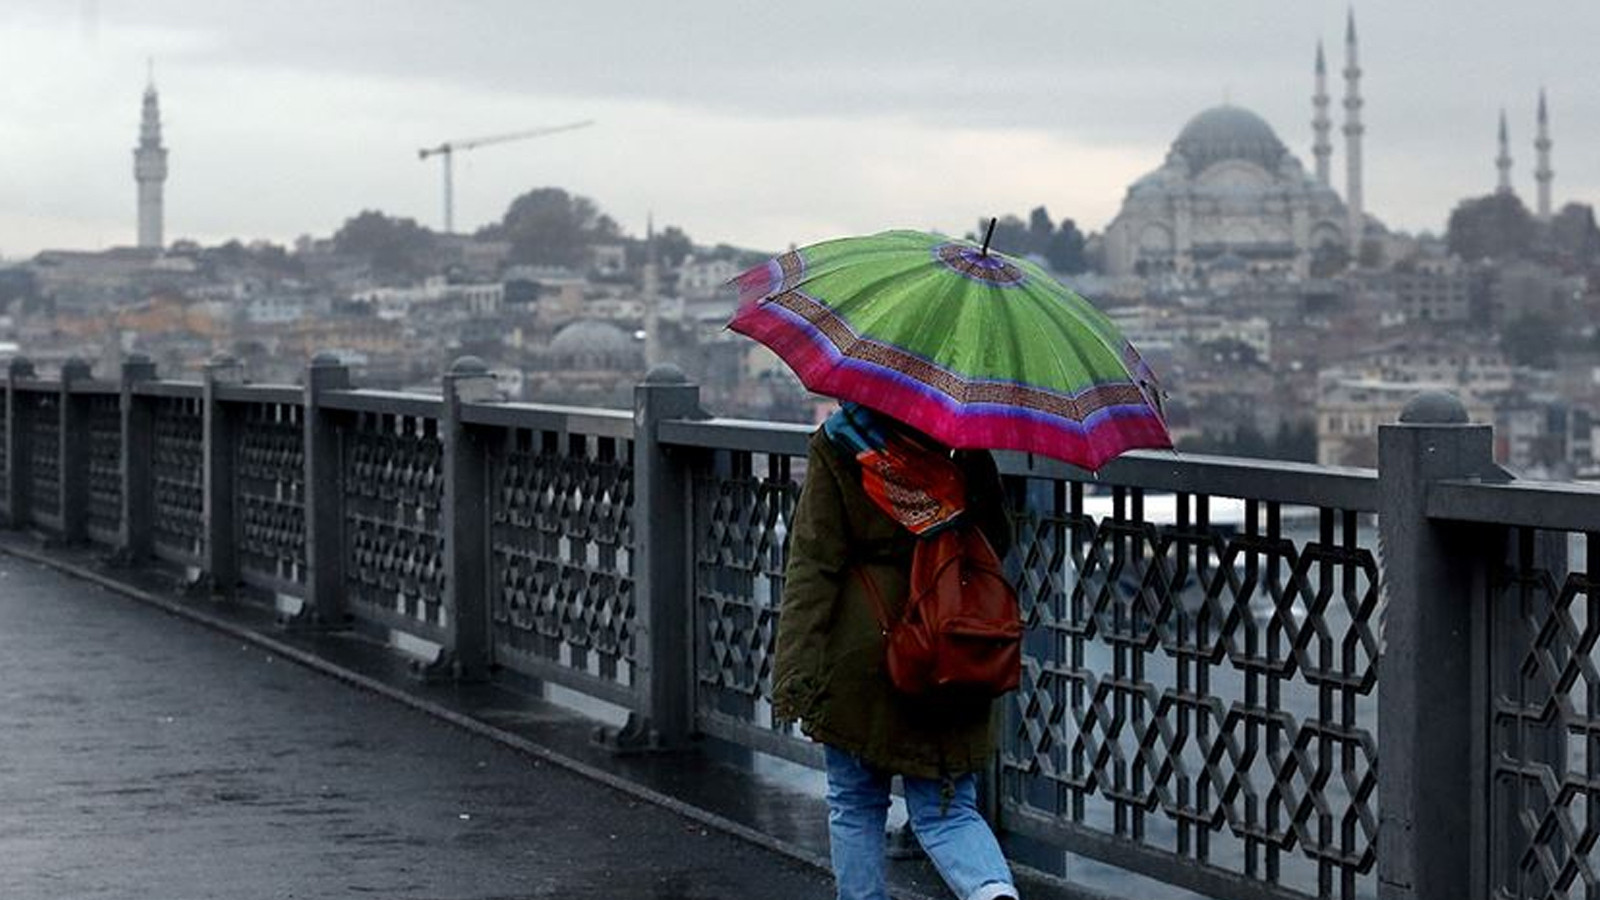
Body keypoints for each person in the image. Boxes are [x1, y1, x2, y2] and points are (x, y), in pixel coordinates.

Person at [773, 402, 1019, 900]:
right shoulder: (960, 440)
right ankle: (994, 894)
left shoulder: (841, 443)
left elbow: (814, 565)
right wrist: (973, 460)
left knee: (856, 802)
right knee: (948, 810)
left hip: (863, 649)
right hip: (949, 643)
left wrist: (795, 668)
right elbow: (995, 541)